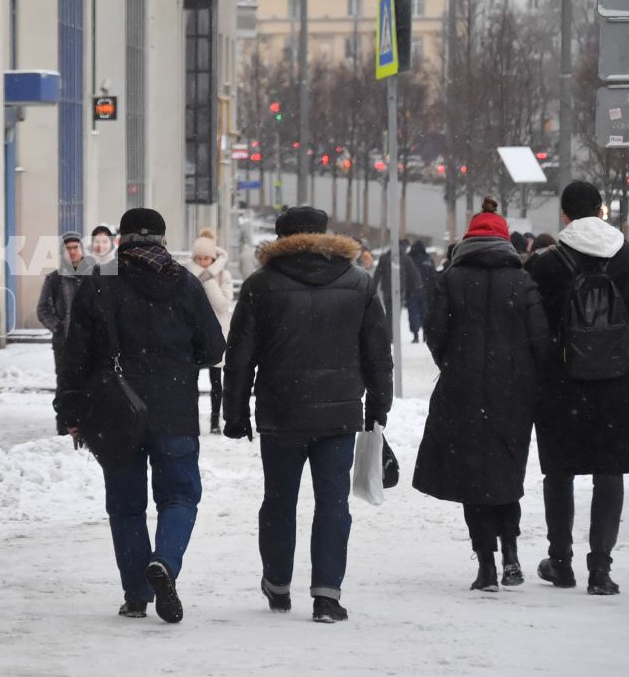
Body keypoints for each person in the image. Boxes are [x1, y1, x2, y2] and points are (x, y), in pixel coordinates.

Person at [223, 205, 392, 623]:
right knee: (333, 502)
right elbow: (377, 353)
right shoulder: (358, 283)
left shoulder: (261, 285)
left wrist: (235, 410)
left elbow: (240, 356)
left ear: (281, 240)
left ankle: (278, 584)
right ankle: (327, 597)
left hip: (281, 411)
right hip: (339, 413)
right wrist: (378, 405)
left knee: (278, 501)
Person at [57, 209, 225, 623]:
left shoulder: (99, 285)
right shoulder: (185, 284)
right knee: (180, 496)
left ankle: (135, 595)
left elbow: (73, 357)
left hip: (115, 415)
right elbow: (215, 349)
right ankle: (164, 563)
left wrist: (71, 410)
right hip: (175, 411)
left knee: (126, 505)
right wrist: (178, 364)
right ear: (163, 242)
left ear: (121, 239)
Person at [525, 181, 629, 596]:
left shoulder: (546, 263)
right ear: (601, 210)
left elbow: (528, 319)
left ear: (565, 215)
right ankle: (600, 570)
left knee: (560, 471)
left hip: (562, 380)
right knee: (609, 472)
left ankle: (560, 561)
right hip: (620, 381)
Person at [413, 198, 552, 591]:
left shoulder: (451, 279)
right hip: (513, 393)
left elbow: (435, 333)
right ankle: (510, 552)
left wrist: (454, 365)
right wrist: (524, 374)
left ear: (468, 239)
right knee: (507, 472)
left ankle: (486, 565)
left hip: (463, 391)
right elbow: (540, 338)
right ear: (506, 240)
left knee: (471, 476)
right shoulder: (522, 280)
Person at [190, 229, 235, 434]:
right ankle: (191, 418)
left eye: (206, 258)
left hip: (216, 334)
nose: (203, 262)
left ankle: (215, 421)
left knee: (217, 383)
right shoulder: (189, 275)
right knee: (190, 382)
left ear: (213, 257)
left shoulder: (223, 275)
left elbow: (223, 304)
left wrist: (208, 281)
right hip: (193, 336)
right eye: (198, 258)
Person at [35, 232, 93, 369]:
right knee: (66, 385)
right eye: (68, 249)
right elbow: (43, 309)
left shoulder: (93, 276)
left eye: (75, 247)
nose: (72, 252)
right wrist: (58, 328)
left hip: (92, 343)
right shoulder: (54, 279)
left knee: (91, 385)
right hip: (64, 345)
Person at [405, 239, 435, 342]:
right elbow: (433, 277)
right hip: (426, 292)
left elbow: (405, 276)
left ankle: (415, 334)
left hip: (412, 291)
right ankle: (425, 334)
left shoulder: (409, 260)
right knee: (425, 313)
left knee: (413, 313)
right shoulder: (428, 260)